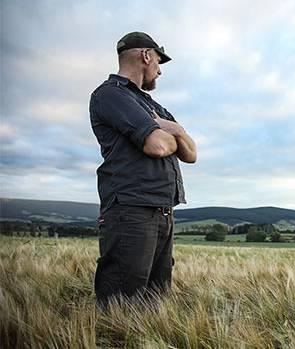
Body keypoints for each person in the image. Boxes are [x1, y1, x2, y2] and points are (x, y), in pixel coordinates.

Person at [89, 32, 197, 308]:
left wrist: (177, 130)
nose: (160, 71)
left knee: (155, 302)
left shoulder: (154, 107)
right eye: (159, 62)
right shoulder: (111, 95)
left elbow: (191, 154)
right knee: (123, 305)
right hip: (132, 211)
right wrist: (172, 133)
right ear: (146, 55)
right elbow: (157, 146)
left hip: (163, 211)